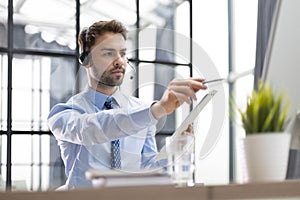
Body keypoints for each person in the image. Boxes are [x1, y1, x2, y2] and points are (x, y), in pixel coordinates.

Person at [47, 20, 207, 189]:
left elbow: (147, 170)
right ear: (86, 60)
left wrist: (176, 148)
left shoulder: (141, 111)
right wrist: (156, 110)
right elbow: (92, 129)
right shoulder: (65, 114)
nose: (119, 61)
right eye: (108, 53)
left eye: (122, 53)